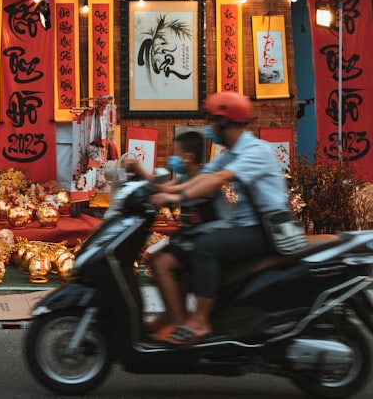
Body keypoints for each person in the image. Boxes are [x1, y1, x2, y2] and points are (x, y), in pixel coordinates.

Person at [147, 91, 291, 346]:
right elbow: (200, 178)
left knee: (205, 248)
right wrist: (160, 191)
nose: (209, 128)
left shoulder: (255, 151)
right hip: (246, 227)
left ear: (224, 122)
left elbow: (216, 180)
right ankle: (177, 316)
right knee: (184, 247)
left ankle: (200, 320)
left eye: (212, 121)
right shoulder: (230, 154)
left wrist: (175, 198)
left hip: (266, 230)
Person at [125, 131, 211, 339]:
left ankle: (178, 323)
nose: (173, 158)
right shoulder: (186, 176)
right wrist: (138, 171)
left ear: (188, 157)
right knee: (156, 257)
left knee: (160, 263)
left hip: (207, 239)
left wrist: (167, 195)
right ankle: (172, 315)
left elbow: (175, 191)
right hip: (191, 237)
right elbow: (161, 186)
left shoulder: (203, 178)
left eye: (176, 153)